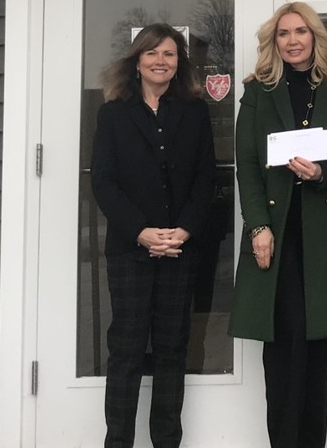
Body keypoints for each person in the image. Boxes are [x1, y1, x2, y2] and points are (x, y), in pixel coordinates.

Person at [229, 1, 327, 448]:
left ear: (315, 38)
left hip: (324, 239)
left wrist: (323, 172)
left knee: (316, 352)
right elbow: (247, 166)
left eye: (300, 32)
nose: (292, 41)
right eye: (283, 33)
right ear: (274, 41)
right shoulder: (257, 91)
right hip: (278, 235)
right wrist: (257, 227)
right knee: (283, 352)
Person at [91, 23, 217, 448]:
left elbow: (205, 179)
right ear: (137, 61)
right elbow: (104, 182)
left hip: (180, 248)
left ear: (178, 62)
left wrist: (182, 230)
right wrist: (142, 232)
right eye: (152, 54)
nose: (161, 61)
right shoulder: (113, 113)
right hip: (131, 250)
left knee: (171, 350)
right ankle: (118, 441)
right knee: (126, 352)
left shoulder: (195, 111)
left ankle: (166, 440)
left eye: (169, 54)